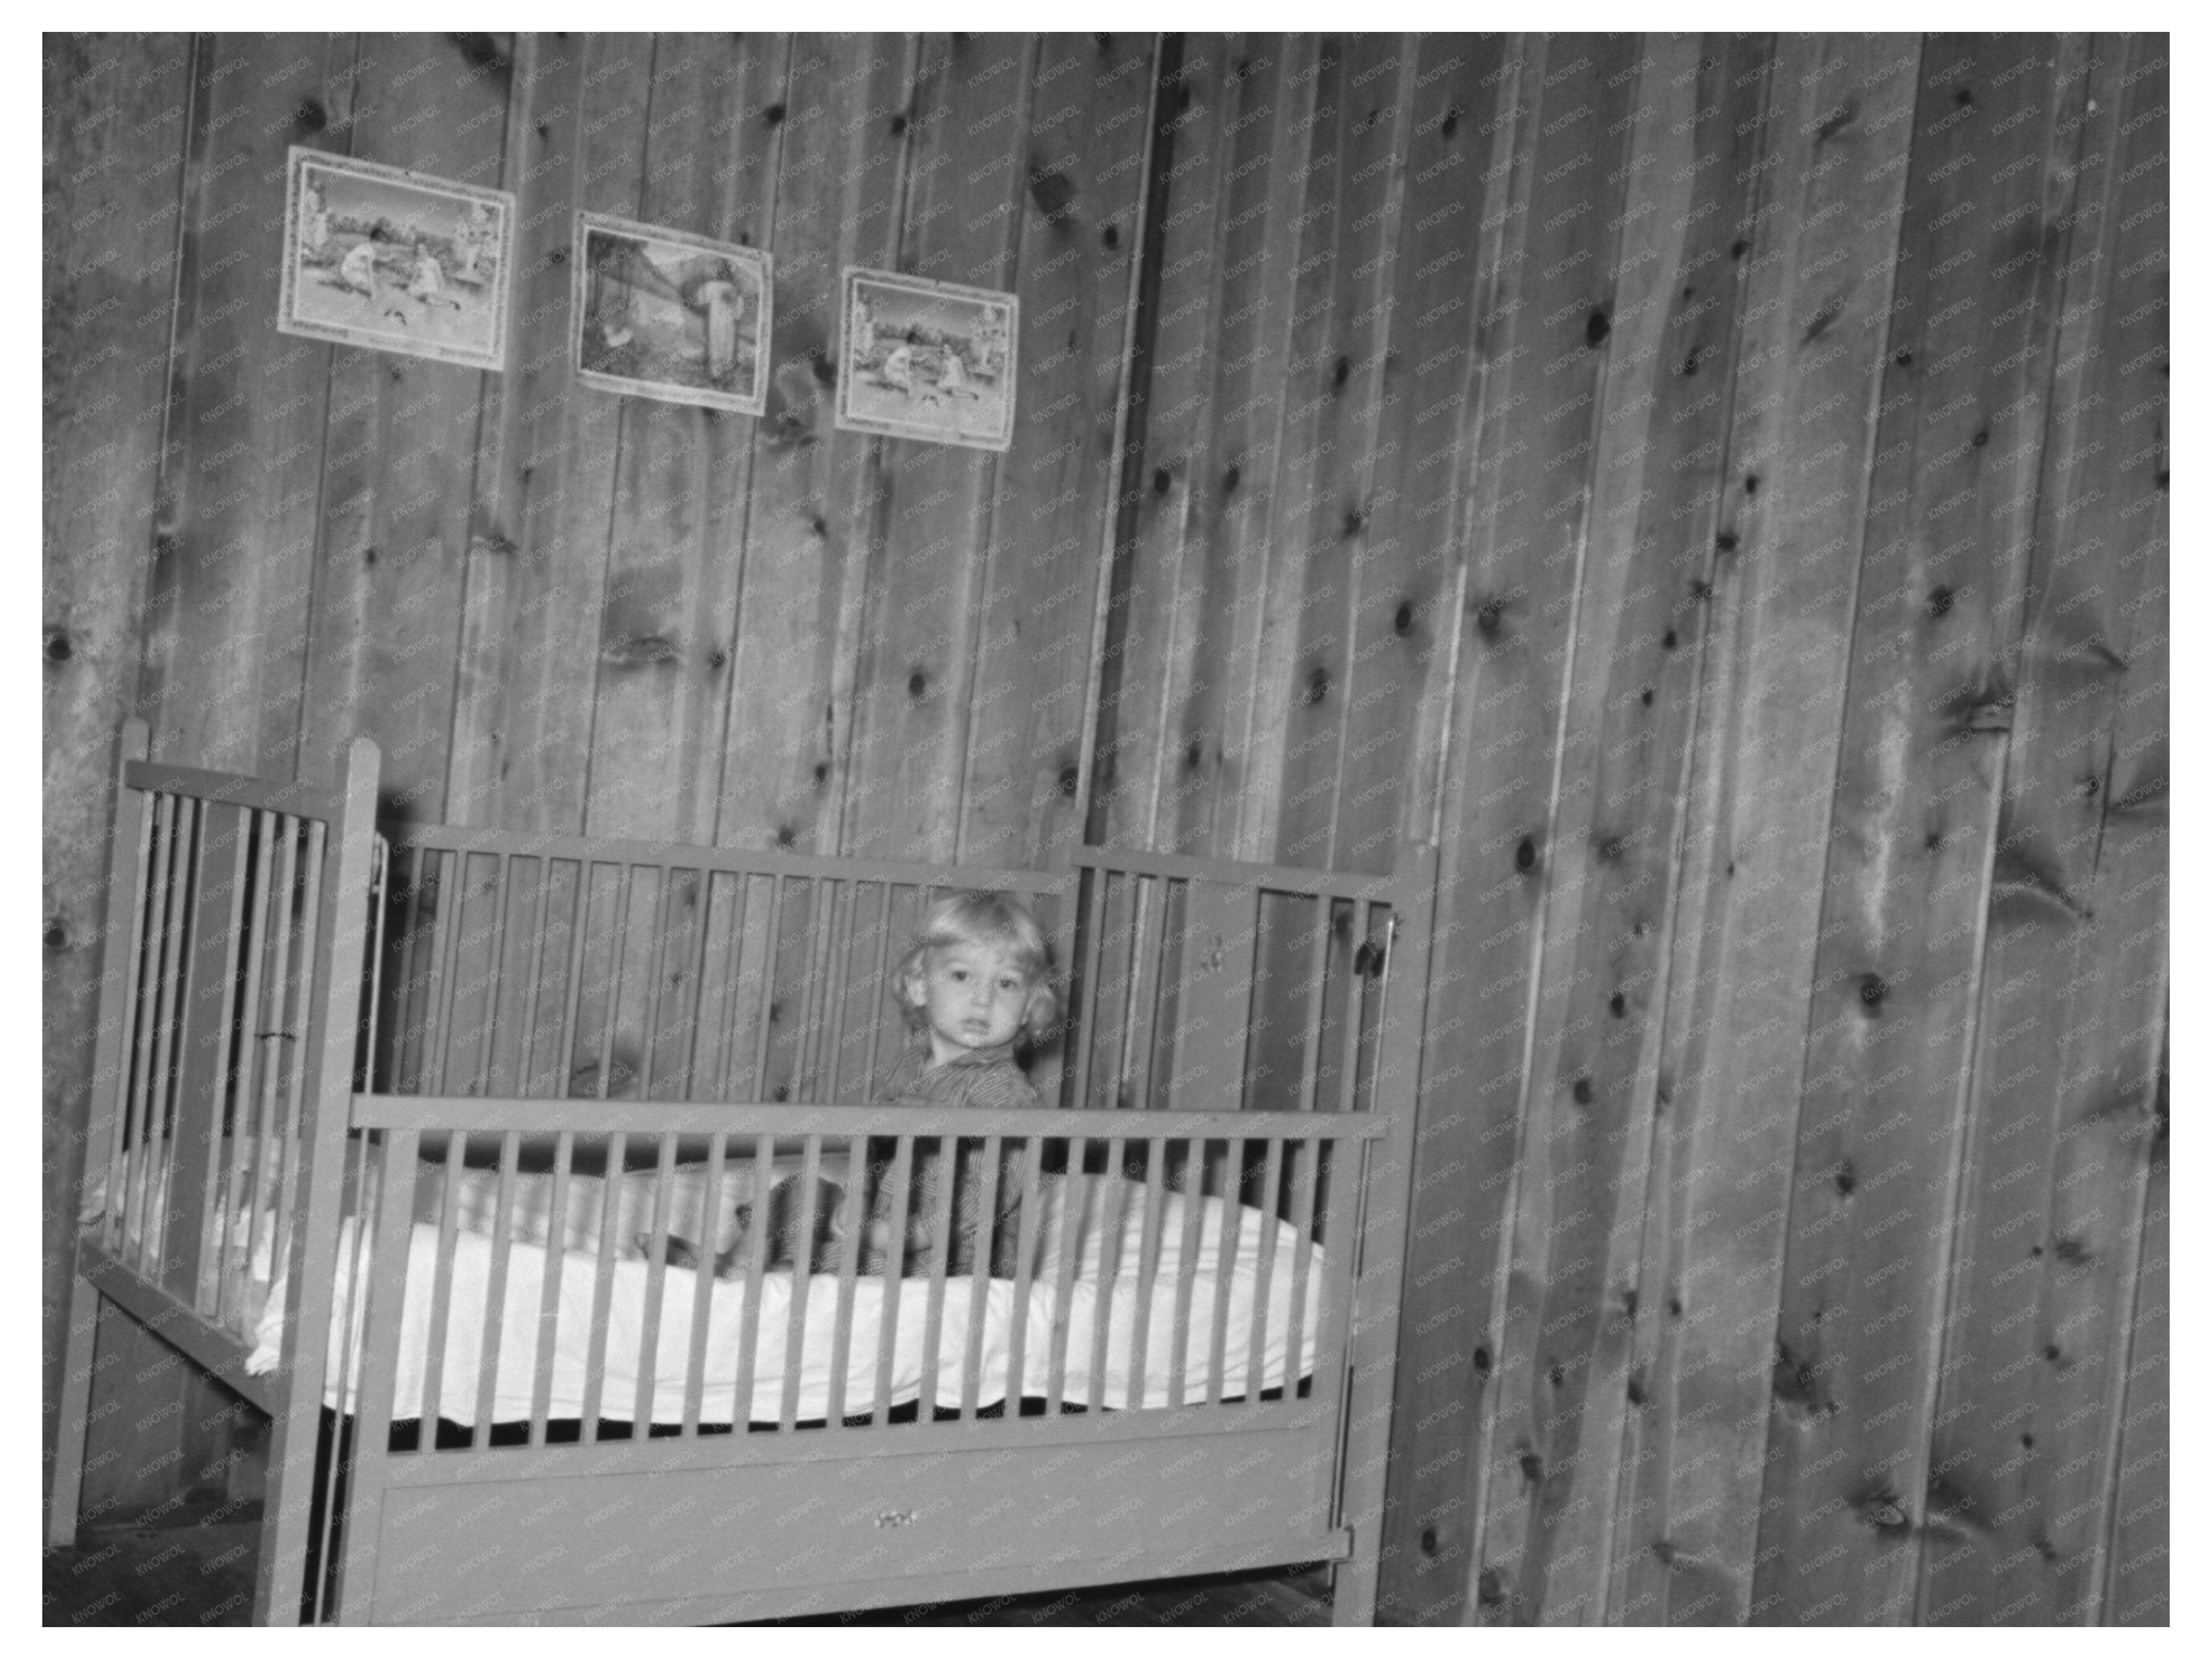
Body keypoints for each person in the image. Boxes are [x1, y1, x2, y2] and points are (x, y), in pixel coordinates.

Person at [865, 891, 1060, 1276]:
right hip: (887, 1223)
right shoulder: (909, 1067)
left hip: (955, 1260)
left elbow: (988, 1196)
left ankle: (773, 1275)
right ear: (920, 986)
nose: (982, 998)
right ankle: (737, 1264)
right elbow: (875, 1150)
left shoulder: (1007, 1095)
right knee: (799, 1197)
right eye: (961, 975)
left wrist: (908, 1235)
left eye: (1006, 984)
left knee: (831, 1260)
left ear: (1029, 1007)